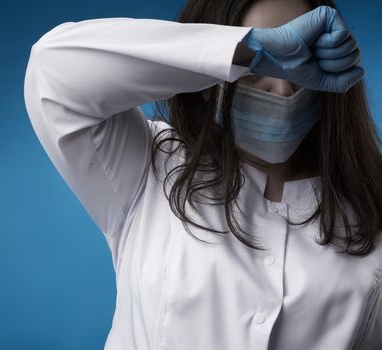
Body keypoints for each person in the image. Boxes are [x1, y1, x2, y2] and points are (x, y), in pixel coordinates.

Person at [23, 0, 382, 349]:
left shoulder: (371, 209)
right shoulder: (150, 165)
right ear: (212, 78)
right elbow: (53, 69)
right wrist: (250, 50)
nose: (284, 89)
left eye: (303, 61)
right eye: (261, 71)